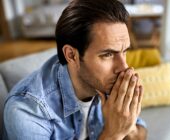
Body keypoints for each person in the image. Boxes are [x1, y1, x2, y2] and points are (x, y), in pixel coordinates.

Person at [3, 0, 147, 139]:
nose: (124, 68)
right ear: (71, 55)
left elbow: (141, 135)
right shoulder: (27, 111)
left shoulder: (109, 83)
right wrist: (113, 134)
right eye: (108, 54)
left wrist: (128, 126)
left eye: (124, 52)